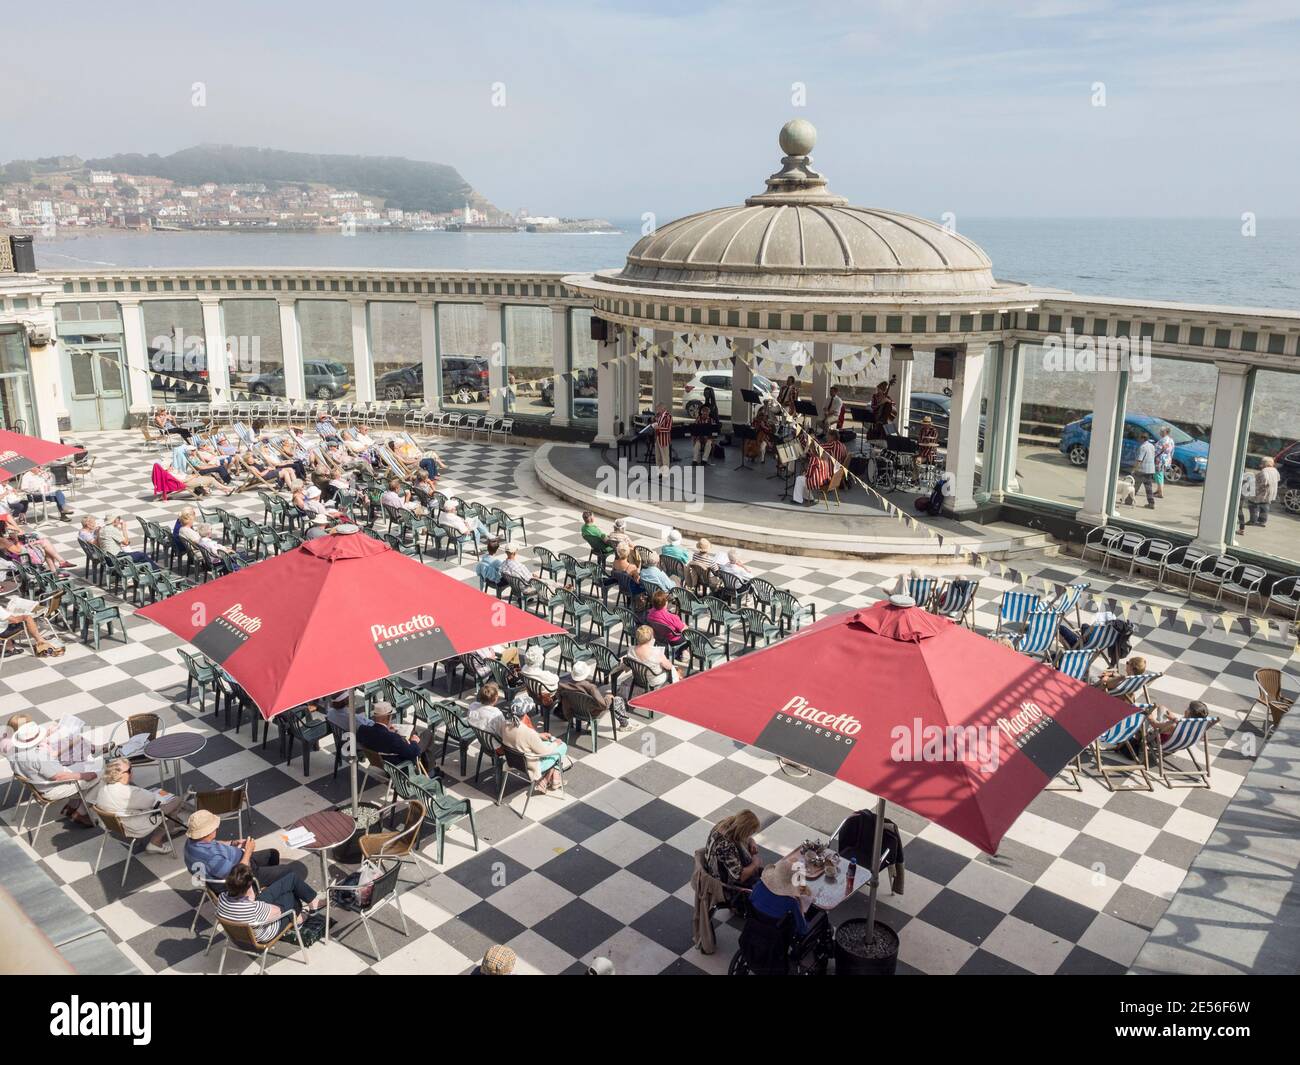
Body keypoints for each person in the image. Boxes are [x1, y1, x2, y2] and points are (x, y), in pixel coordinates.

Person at [9, 720, 94, 824]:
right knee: (97, 777)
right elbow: (59, 777)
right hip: (52, 789)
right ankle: (81, 812)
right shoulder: (39, 756)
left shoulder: (14, 752)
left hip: (37, 786)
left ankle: (72, 806)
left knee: (81, 769)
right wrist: (85, 775)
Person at [216, 860, 323, 941]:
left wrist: (252, 897)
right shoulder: (255, 908)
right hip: (265, 933)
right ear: (247, 887)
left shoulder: (222, 897)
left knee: (291, 879)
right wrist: (253, 897)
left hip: (239, 936)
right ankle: (298, 920)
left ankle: (312, 903)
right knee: (291, 896)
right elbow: (279, 911)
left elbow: (252, 905)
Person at [183, 808, 294, 885]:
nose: (217, 828)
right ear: (207, 832)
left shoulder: (192, 842)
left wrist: (232, 843)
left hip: (238, 861)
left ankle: (269, 881)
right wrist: (247, 851)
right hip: (242, 878)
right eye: (215, 827)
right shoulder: (211, 858)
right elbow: (238, 875)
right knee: (290, 871)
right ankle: (262, 887)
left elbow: (214, 843)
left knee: (273, 854)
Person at [94, 757, 182, 853]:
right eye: (129, 770)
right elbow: (153, 802)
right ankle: (155, 842)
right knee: (176, 800)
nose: (132, 772)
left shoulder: (102, 789)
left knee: (160, 802)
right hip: (134, 826)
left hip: (113, 825)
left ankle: (172, 826)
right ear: (121, 775)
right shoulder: (131, 792)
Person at [749, 855, 830, 958]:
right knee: (822, 916)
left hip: (757, 925)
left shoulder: (759, 885)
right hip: (779, 934)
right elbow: (802, 929)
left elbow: (751, 899)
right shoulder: (791, 903)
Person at [498, 691, 568, 794]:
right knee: (562, 748)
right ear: (525, 713)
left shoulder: (505, 725)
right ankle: (547, 780)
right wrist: (556, 743)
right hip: (531, 765)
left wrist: (538, 736)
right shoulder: (529, 733)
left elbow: (519, 738)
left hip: (514, 761)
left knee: (552, 747)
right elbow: (545, 752)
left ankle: (553, 780)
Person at [703, 810, 763, 905]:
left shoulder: (725, 824)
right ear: (744, 831)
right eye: (749, 833)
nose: (750, 836)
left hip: (721, 869)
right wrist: (755, 863)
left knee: (766, 875)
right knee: (765, 885)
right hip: (724, 884)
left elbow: (743, 837)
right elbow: (739, 877)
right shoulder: (726, 845)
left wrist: (751, 841)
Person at [356, 701, 434, 768]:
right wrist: (414, 742)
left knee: (414, 734)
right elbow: (412, 753)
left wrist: (387, 731)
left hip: (379, 762)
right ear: (387, 718)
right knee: (427, 734)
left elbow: (378, 738)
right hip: (396, 766)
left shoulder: (363, 730)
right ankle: (430, 771)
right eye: (391, 716)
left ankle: (426, 766)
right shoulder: (392, 738)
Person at [557, 658, 631, 728]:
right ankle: (625, 725)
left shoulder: (564, 685)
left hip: (573, 711)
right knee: (617, 699)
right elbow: (604, 705)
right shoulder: (591, 687)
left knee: (596, 696)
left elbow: (559, 697)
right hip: (589, 713)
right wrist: (609, 697)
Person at [619, 624, 678, 698]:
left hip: (638, 679)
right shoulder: (657, 652)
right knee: (672, 668)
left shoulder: (631, 650)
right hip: (654, 680)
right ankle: (675, 689)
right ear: (651, 638)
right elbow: (668, 667)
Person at [2, 527, 74, 573]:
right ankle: (61, 563)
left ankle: (56, 571)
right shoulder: (3, 540)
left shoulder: (4, 539)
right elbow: (18, 551)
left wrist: (14, 534)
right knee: (46, 544)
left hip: (24, 550)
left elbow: (20, 530)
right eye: (6, 528)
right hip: (23, 557)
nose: (7, 529)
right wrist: (16, 540)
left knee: (47, 547)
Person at [644, 589, 687, 657]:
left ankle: (679, 652)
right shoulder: (672, 617)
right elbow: (683, 630)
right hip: (672, 641)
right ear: (665, 603)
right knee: (688, 636)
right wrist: (685, 626)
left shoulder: (649, 614)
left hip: (658, 637)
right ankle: (683, 652)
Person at [692, 387, 720, 466]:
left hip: (708, 437)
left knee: (708, 443)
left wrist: (712, 436)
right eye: (703, 413)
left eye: (706, 413)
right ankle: (695, 460)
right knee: (697, 444)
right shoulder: (698, 419)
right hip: (700, 437)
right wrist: (695, 437)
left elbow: (715, 429)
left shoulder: (711, 419)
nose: (704, 415)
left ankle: (704, 460)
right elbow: (694, 428)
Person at [1249, 457, 1280, 527]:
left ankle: (1253, 520)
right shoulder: (1275, 470)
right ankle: (1262, 521)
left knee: (1252, 503)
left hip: (1262, 492)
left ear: (1264, 464)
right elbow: (1278, 478)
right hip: (1271, 492)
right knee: (1265, 505)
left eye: (1262, 463)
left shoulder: (1264, 471)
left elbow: (1264, 481)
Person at [1132, 432, 1157, 509]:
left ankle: (1129, 500)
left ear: (1143, 438)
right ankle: (1151, 503)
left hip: (1142, 470)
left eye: (1140, 438)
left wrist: (1134, 470)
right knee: (1148, 488)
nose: (1138, 439)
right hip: (1150, 470)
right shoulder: (1152, 446)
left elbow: (1139, 460)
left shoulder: (1142, 447)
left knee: (1135, 485)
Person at [1154, 425, 1175, 499]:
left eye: (1161, 431)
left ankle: (1160, 492)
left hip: (1160, 460)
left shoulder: (1163, 440)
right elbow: (1172, 451)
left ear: (1165, 432)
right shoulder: (1171, 440)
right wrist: (1170, 459)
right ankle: (1158, 490)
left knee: (1158, 475)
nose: (1160, 433)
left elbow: (1158, 450)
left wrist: (1154, 453)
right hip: (1166, 459)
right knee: (1160, 474)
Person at [652, 402, 673, 469]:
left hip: (663, 439)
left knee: (665, 457)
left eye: (658, 409)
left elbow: (668, 429)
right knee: (658, 457)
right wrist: (654, 424)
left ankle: (665, 474)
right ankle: (659, 472)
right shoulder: (659, 416)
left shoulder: (668, 416)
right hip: (657, 438)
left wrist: (659, 428)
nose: (657, 410)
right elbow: (657, 424)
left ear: (663, 408)